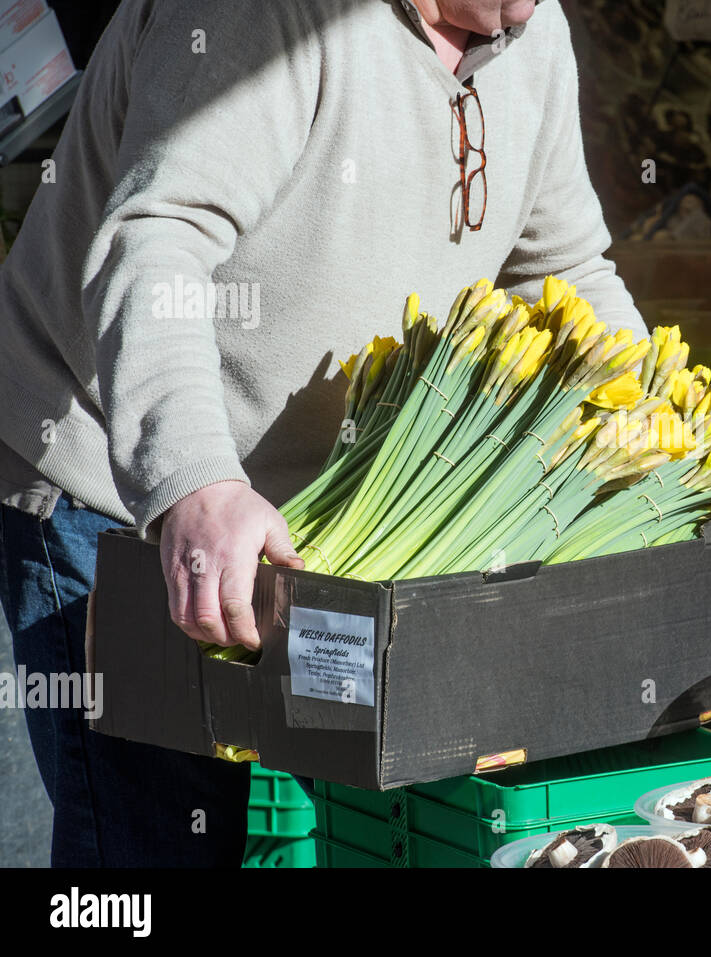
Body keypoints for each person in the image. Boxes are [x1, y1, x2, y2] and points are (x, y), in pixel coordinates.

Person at [0, 0, 645, 867]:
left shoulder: (534, 32)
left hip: (314, 514)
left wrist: (654, 424)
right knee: (149, 845)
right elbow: (160, 239)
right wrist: (194, 480)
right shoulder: (258, 16)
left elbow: (558, 268)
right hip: (113, 478)